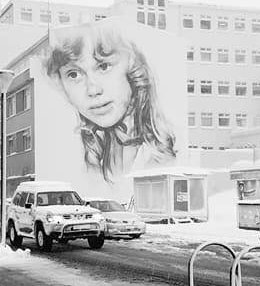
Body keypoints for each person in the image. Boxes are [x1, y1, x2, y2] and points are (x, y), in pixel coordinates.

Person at [44, 21, 176, 182]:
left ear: (132, 68)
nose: (93, 90)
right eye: (74, 74)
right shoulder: (92, 150)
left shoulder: (156, 155)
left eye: (104, 66)